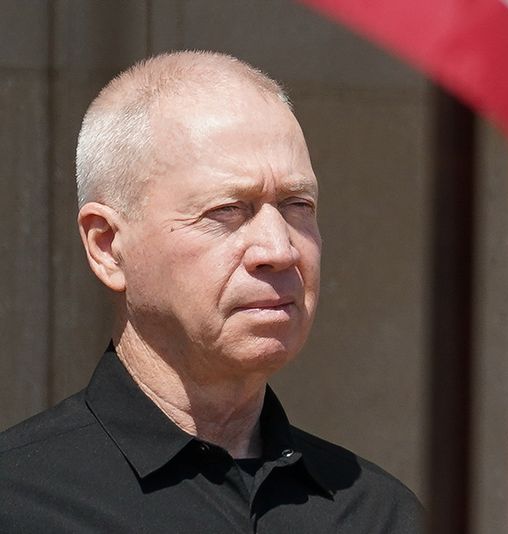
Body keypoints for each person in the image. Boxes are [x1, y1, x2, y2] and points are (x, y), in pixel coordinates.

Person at [0, 51, 422, 533]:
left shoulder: (379, 514)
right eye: (227, 210)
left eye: (296, 205)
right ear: (108, 246)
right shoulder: (21, 504)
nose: (279, 249)